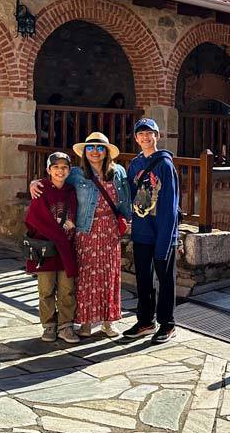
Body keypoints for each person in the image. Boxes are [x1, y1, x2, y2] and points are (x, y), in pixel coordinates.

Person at [31, 131, 131, 340]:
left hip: (110, 231)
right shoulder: (76, 173)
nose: (95, 151)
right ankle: (85, 323)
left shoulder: (118, 172)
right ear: (85, 152)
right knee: (86, 278)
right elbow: (55, 179)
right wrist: (34, 183)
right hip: (86, 231)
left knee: (108, 277)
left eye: (100, 147)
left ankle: (107, 322)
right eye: (91, 148)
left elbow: (125, 200)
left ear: (106, 152)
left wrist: (126, 221)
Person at [122, 117, 180, 345]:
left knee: (166, 280)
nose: (145, 137)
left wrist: (165, 241)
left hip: (162, 232)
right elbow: (128, 193)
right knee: (143, 279)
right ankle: (146, 321)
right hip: (142, 229)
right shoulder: (135, 165)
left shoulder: (165, 165)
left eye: (150, 133)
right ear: (136, 138)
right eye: (141, 134)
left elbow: (170, 206)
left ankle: (168, 324)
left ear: (157, 136)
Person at [24, 152, 78, 342]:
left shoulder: (72, 190)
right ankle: (48, 326)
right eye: (55, 167)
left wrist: (73, 225)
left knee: (67, 289)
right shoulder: (41, 189)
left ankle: (66, 326)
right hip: (46, 249)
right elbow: (34, 219)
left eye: (64, 167)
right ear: (48, 170)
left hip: (67, 249)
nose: (60, 171)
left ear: (69, 170)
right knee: (46, 289)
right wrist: (56, 229)